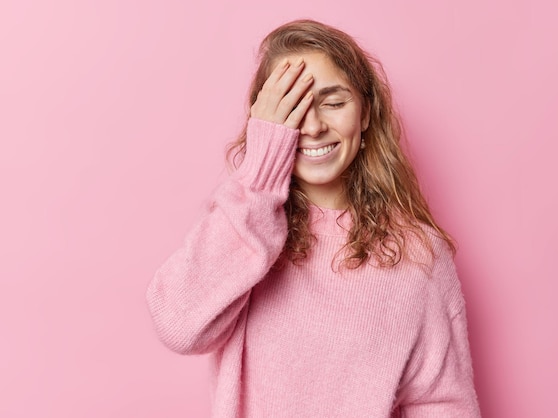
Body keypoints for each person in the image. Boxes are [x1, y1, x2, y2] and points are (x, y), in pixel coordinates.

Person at [146, 19, 481, 417]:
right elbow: (179, 326)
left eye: (334, 102)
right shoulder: (242, 231)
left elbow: (442, 402)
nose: (315, 126)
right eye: (292, 108)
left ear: (366, 112)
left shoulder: (419, 254)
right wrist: (259, 175)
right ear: (264, 123)